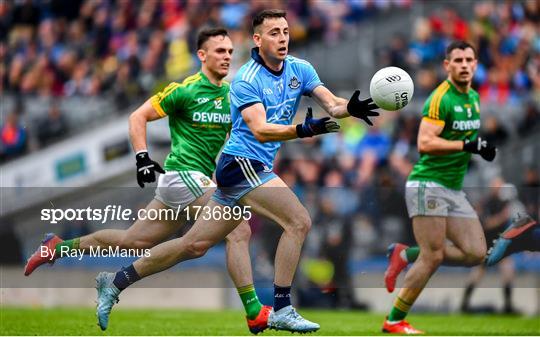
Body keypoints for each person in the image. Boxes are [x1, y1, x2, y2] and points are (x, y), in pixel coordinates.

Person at [94, 9, 379, 334]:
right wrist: (303, 129)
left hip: (249, 168)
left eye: (285, 31)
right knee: (298, 221)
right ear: (257, 40)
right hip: (240, 164)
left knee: (194, 245)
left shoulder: (301, 68)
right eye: (274, 32)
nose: (283, 38)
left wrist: (351, 108)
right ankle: (283, 307)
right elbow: (260, 129)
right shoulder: (246, 79)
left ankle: (116, 281)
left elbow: (331, 104)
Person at [23, 28, 271, 334]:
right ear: (202, 55)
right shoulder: (184, 90)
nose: (227, 57)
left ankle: (57, 247)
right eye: (220, 51)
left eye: (231, 52)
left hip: (191, 184)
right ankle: (253, 311)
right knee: (237, 224)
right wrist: (142, 158)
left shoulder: (229, 97)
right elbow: (137, 117)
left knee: (133, 241)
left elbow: (243, 137)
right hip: (182, 176)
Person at [381, 41, 499, 334]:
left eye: (469, 59)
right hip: (427, 183)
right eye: (457, 59)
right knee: (432, 255)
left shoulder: (473, 97)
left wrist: (478, 148)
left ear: (475, 64)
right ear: (447, 65)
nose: (463, 64)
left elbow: (462, 141)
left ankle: (405, 255)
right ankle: (394, 320)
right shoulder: (440, 98)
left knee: (476, 253)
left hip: (453, 187)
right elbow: (425, 143)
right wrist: (467, 145)